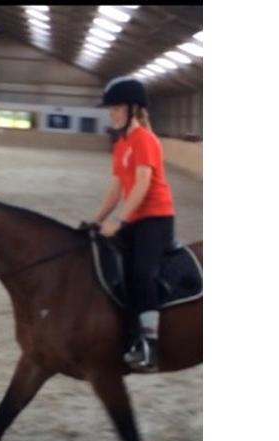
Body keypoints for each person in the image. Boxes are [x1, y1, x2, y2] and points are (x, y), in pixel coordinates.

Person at [92, 76, 176, 368]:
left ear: (133, 109)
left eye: (116, 108)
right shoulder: (121, 144)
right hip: (134, 217)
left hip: (156, 218)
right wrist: (96, 220)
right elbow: (117, 188)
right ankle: (126, 333)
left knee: (142, 272)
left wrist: (119, 221)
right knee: (112, 267)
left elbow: (142, 183)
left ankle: (150, 345)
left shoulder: (145, 140)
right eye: (111, 109)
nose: (112, 114)